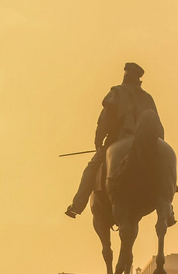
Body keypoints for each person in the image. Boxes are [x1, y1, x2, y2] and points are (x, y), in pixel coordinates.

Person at [65, 62, 162, 218]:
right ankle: (168, 209)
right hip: (147, 143)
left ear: (125, 76)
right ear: (138, 79)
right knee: (161, 168)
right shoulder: (147, 98)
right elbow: (157, 125)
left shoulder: (117, 93)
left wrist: (98, 141)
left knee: (91, 168)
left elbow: (105, 119)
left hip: (118, 140)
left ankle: (76, 206)